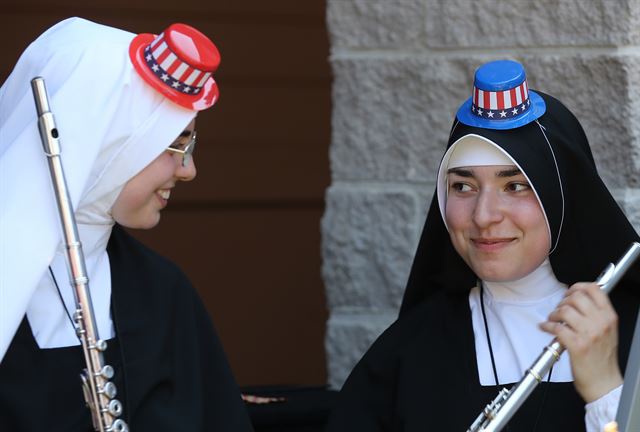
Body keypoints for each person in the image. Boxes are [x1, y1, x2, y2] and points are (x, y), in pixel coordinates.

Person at [325, 60, 640, 432]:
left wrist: (606, 390)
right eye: (463, 186)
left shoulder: (633, 333)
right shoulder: (407, 354)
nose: (483, 216)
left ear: (563, 196)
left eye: (515, 185)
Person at [0, 17, 253, 431]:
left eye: (190, 142)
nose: (188, 170)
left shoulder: (163, 292)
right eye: (173, 143)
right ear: (101, 140)